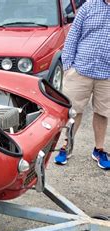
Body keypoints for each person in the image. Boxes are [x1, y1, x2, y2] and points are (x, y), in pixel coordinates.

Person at [54, 0, 110, 170]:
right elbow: (74, 34)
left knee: (102, 112)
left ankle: (99, 150)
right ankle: (67, 146)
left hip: (107, 74)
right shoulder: (89, 6)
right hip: (80, 69)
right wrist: (68, 65)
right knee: (74, 111)